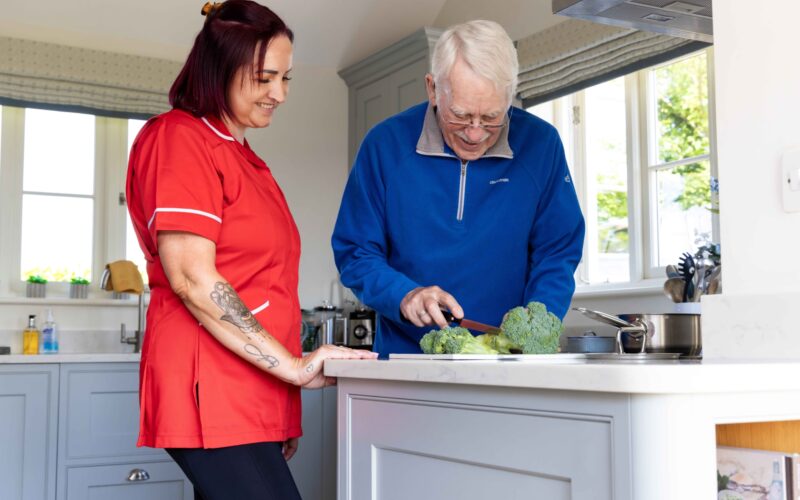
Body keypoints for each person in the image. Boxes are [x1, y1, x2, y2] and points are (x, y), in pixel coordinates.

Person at [126, 2, 377, 499]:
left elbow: (262, 284)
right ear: (218, 68)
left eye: (286, 78)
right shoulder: (180, 139)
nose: (279, 94)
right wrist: (295, 368)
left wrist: (279, 403)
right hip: (210, 387)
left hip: (249, 389)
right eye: (265, 78)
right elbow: (193, 279)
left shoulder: (246, 160)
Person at [332, 20, 585, 358]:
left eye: (492, 117)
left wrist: (538, 318)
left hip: (509, 363)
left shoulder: (542, 145)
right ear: (433, 89)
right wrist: (404, 295)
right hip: (405, 361)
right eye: (461, 116)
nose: (475, 133)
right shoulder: (384, 145)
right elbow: (356, 252)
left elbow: (557, 251)